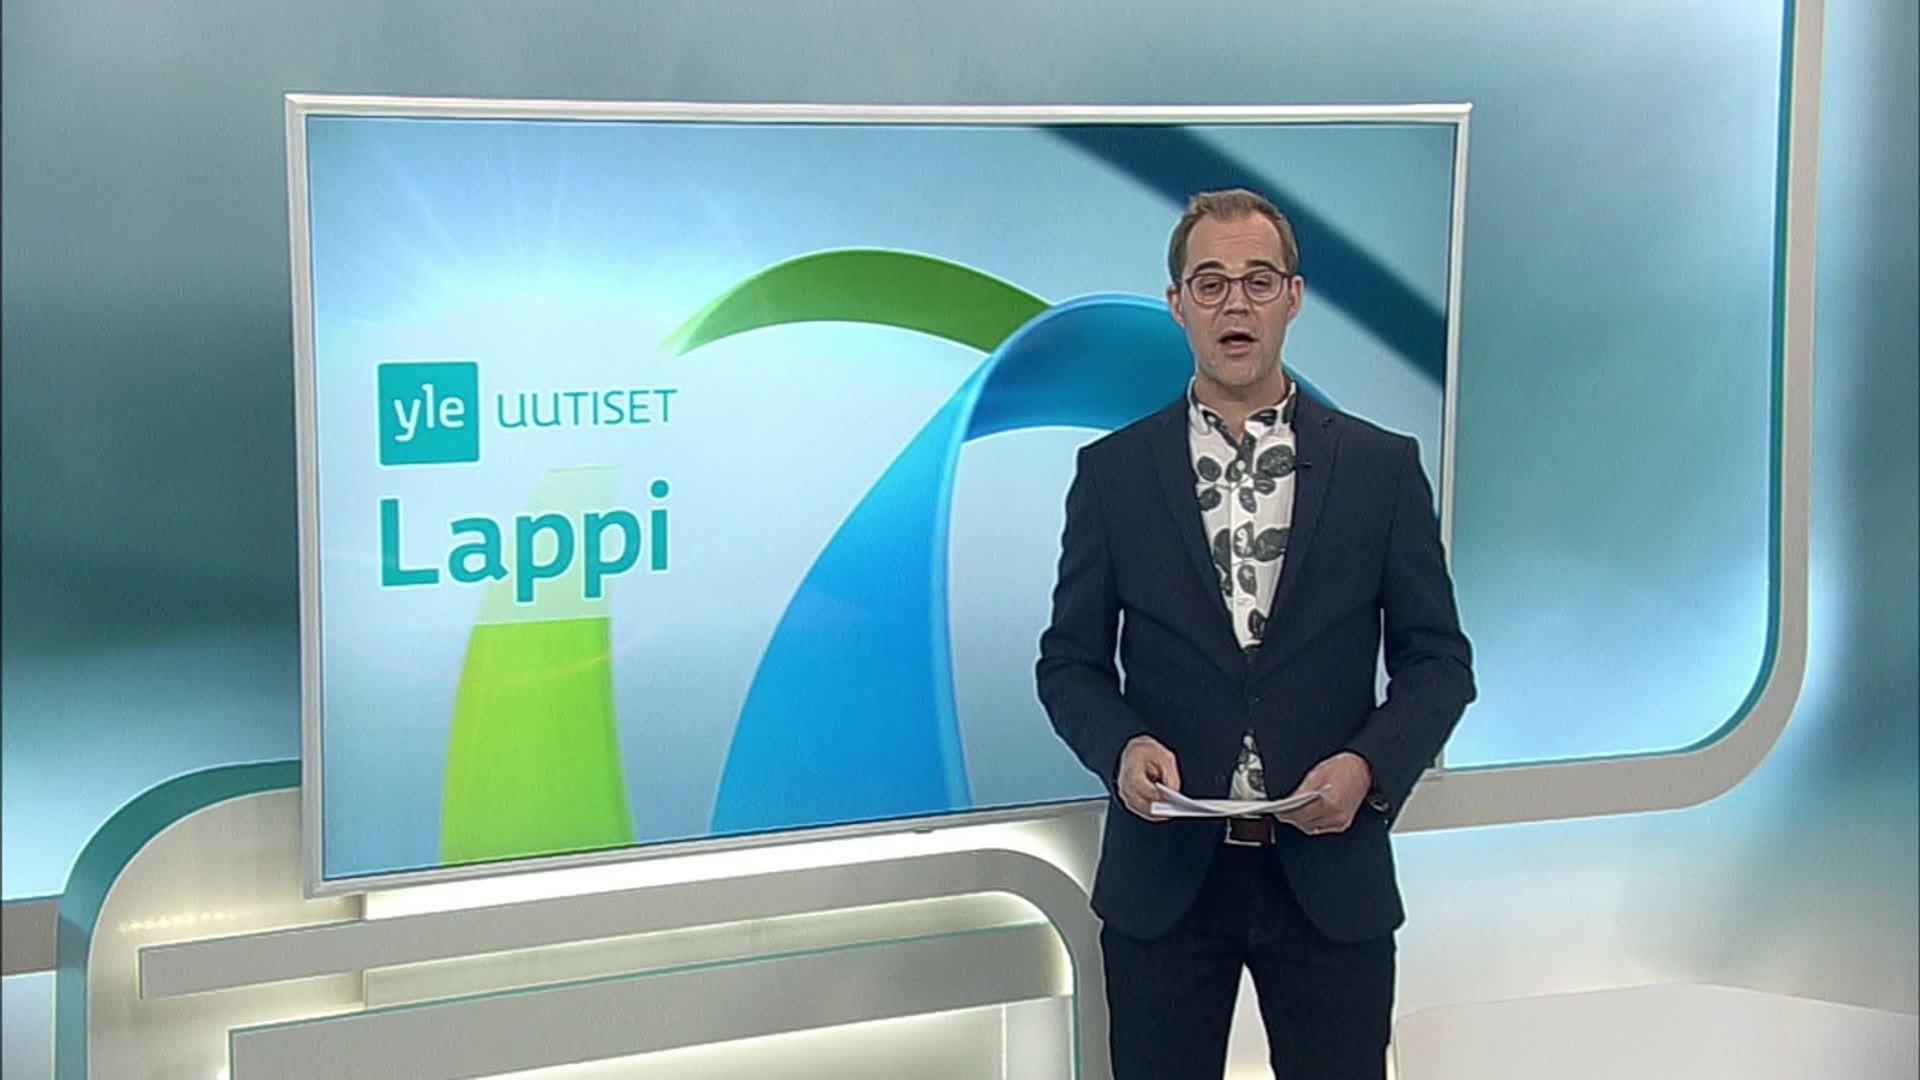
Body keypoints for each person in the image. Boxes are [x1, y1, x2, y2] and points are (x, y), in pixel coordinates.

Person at [1036, 188, 1475, 1079]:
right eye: (1210, 282)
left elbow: (1438, 664)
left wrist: (1368, 770)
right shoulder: (1114, 474)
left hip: (1330, 881)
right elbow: (1070, 664)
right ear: (1177, 304)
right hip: (1166, 884)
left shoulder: (1381, 469)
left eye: (1258, 280)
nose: (1234, 303)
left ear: (1293, 297)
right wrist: (1122, 749)